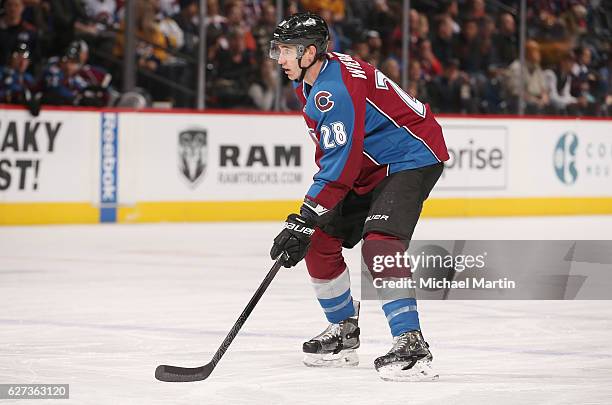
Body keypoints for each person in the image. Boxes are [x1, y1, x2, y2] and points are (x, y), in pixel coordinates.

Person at [268, 12, 448, 381]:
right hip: (370, 164)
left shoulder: (332, 89)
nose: (279, 59)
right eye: (278, 50)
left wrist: (306, 213)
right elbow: (338, 155)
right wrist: (311, 219)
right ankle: (343, 332)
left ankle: (410, 344)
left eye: (285, 50)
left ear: (310, 52)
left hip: (409, 157)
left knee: (380, 245)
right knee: (319, 239)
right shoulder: (313, 78)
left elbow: (341, 159)